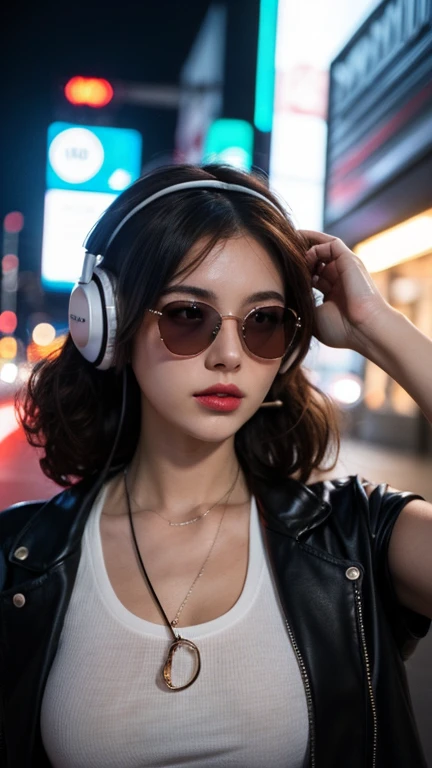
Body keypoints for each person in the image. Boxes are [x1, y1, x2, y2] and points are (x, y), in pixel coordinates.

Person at [0, 163, 431, 768]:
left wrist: (376, 326)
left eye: (263, 321)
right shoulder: (19, 561)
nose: (229, 354)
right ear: (107, 324)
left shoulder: (356, 536)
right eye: (186, 315)